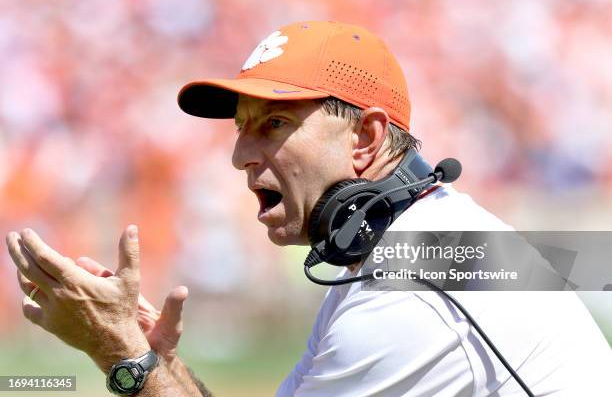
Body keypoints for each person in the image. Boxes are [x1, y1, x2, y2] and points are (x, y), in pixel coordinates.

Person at [6, 21, 611, 396]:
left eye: (273, 124)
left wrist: (119, 354)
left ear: (366, 139)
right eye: (242, 129)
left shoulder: (409, 292)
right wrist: (156, 363)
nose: (242, 154)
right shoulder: (415, 244)